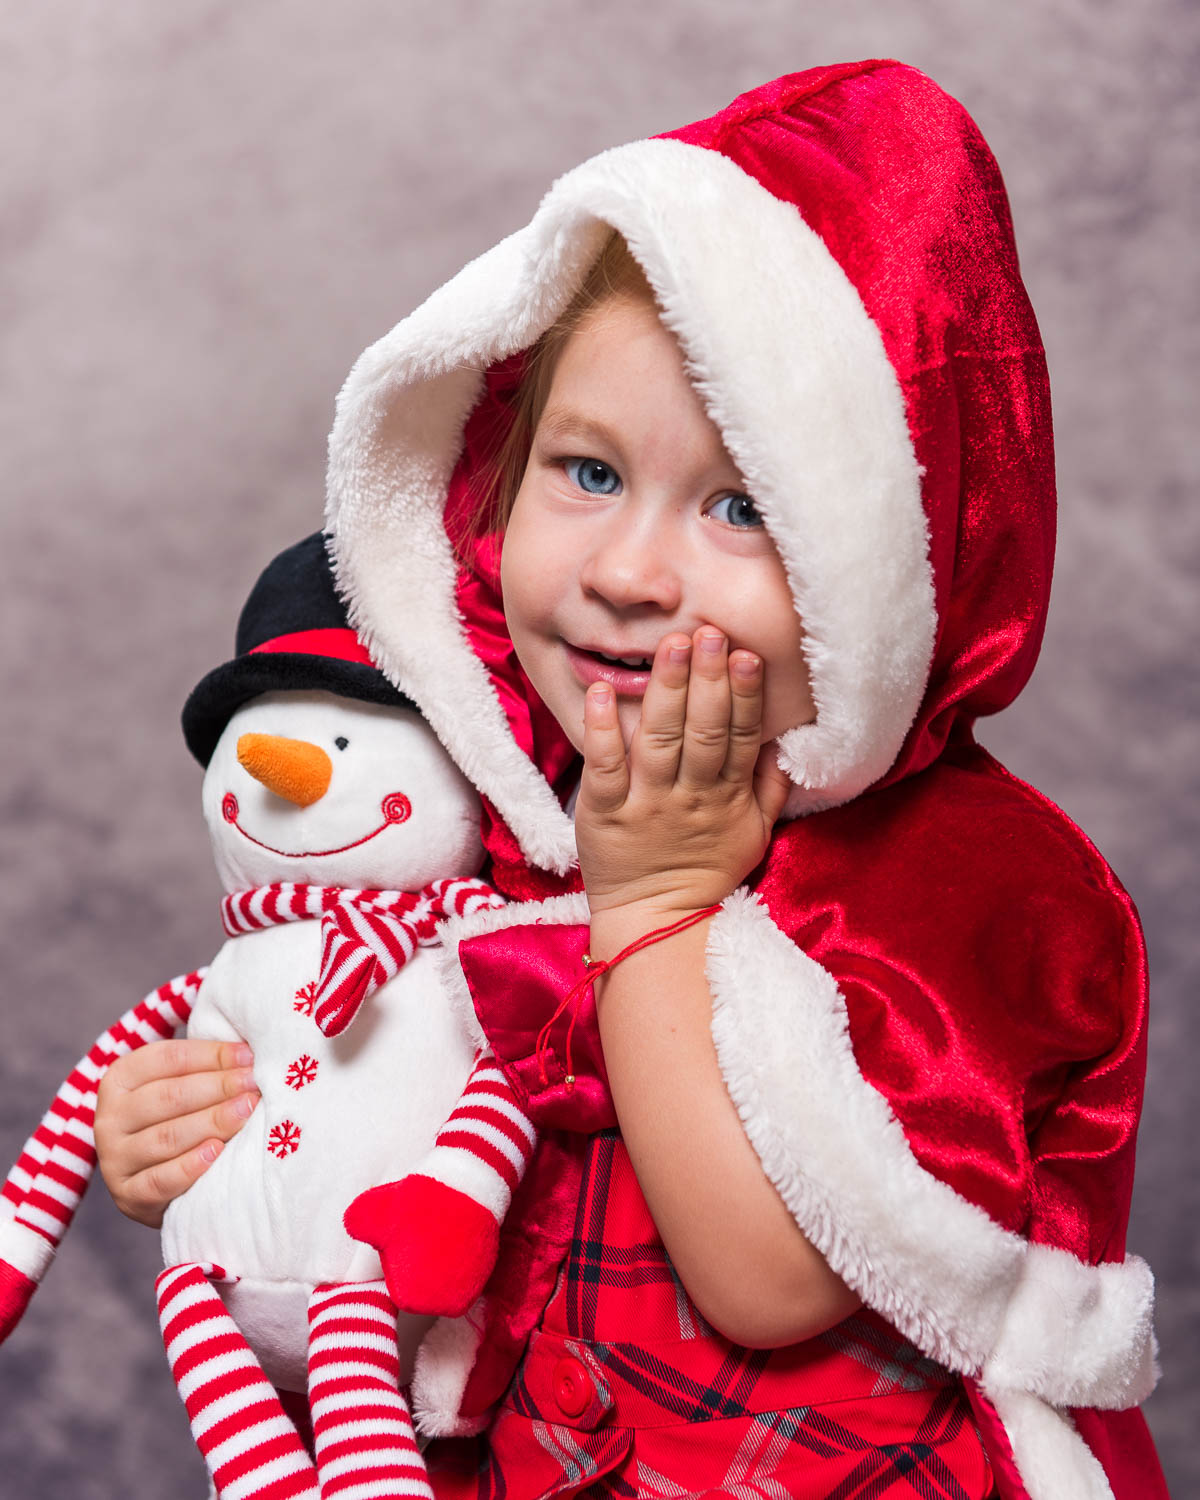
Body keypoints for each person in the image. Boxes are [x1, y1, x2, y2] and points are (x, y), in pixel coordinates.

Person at [92, 61, 1166, 1497]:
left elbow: (770, 1282)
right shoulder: (509, 798)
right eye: (586, 474)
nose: (624, 574)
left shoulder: (968, 892)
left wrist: (656, 902)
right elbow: (367, 1125)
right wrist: (207, 1131)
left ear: (889, 562)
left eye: (739, 509)